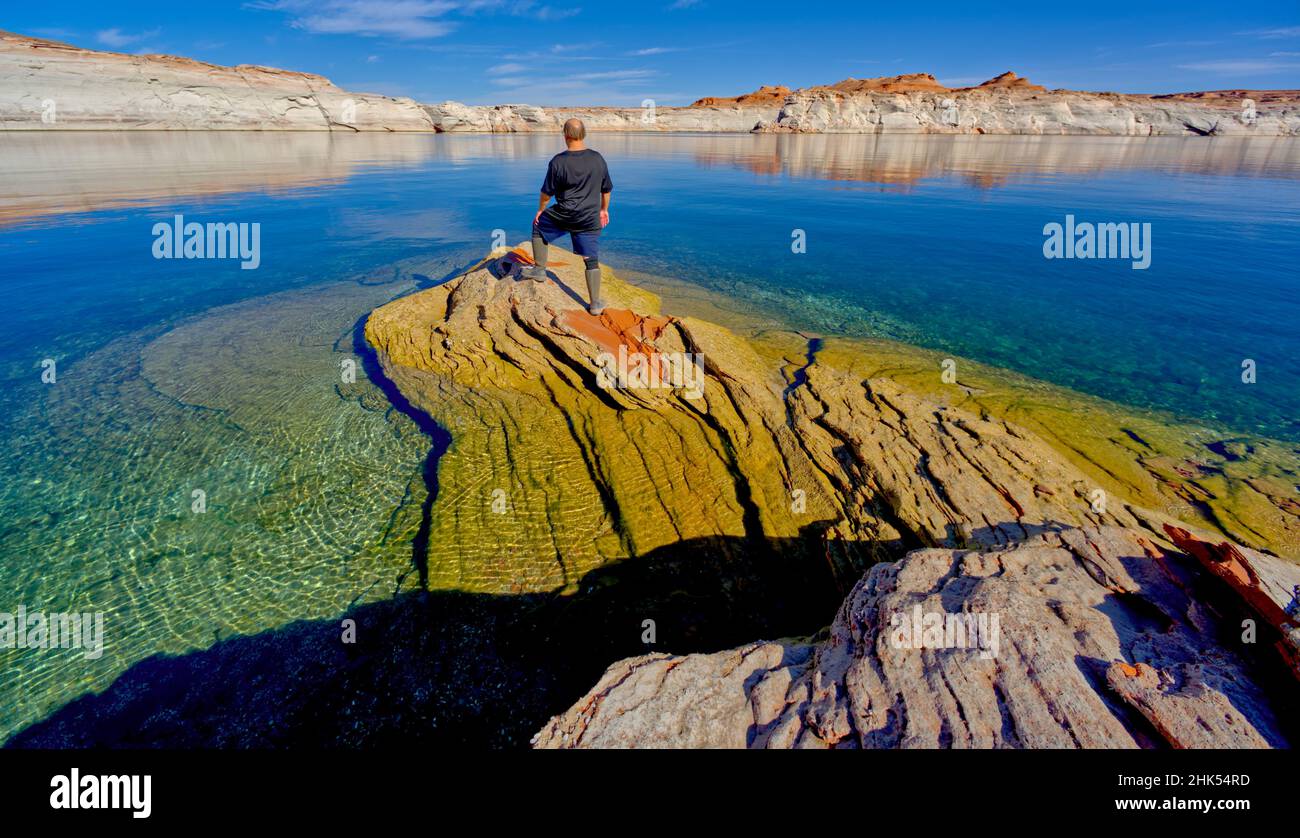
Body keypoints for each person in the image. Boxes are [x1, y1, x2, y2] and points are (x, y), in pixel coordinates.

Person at [524, 118, 612, 315]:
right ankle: (595, 303)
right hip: (589, 217)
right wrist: (604, 210)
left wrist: (540, 210)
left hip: (564, 215)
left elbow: (547, 193)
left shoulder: (558, 161)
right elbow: (606, 190)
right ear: (584, 134)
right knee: (590, 257)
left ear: (565, 135)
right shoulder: (598, 158)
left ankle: (539, 270)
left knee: (538, 227)